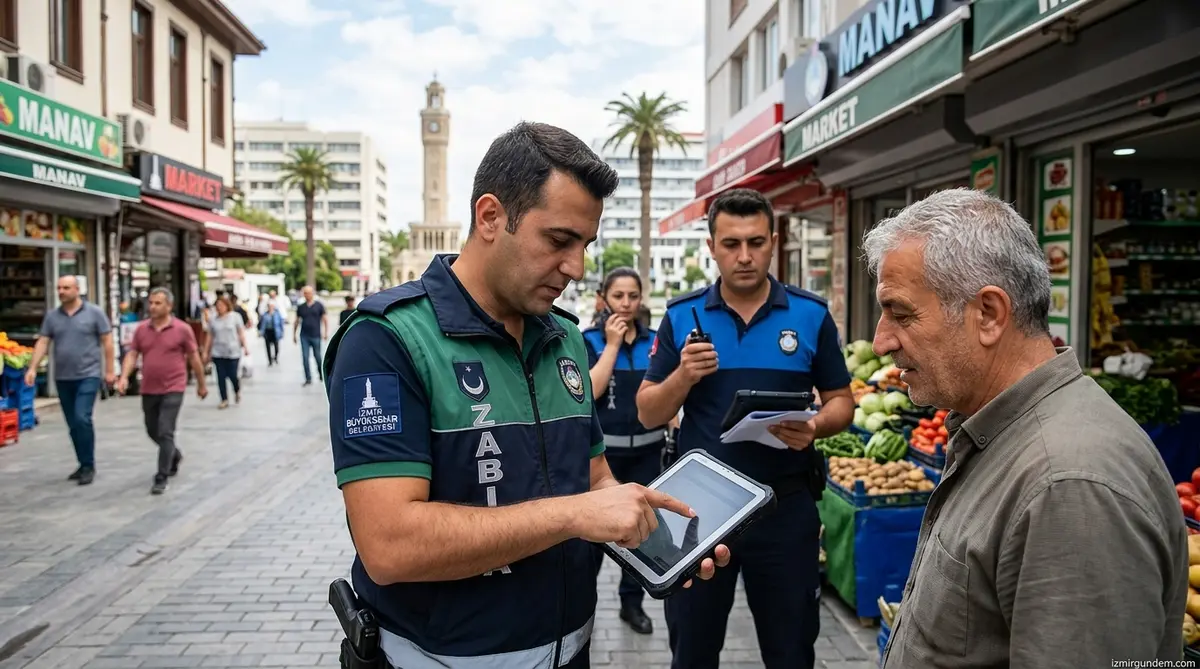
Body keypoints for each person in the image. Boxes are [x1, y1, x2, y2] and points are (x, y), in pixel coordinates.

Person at [323, 121, 731, 669]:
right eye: (559, 240)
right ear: (490, 217)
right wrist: (573, 516)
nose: (577, 268)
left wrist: (654, 540)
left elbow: (593, 479)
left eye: (585, 245)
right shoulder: (388, 339)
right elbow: (390, 545)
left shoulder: (562, 337)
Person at [866, 188, 1186, 667]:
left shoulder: (1068, 484)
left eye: (902, 313)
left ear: (989, 314)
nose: (880, 341)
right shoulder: (1001, 432)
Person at [636, 188, 854, 669]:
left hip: (786, 507)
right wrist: (683, 376)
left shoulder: (810, 314)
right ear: (711, 246)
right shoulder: (680, 316)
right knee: (692, 651)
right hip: (701, 513)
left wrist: (816, 425)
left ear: (773, 242)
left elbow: (843, 402)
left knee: (791, 651)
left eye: (756, 242)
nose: (745, 256)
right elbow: (648, 412)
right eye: (731, 244)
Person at [581, 267, 667, 635]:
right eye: (618, 296)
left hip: (649, 453)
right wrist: (612, 345)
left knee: (644, 534)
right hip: (604, 460)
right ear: (603, 298)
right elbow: (589, 392)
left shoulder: (654, 341)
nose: (627, 304)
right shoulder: (587, 340)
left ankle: (632, 604)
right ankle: (583, 609)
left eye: (633, 296)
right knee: (594, 540)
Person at [24, 276, 115, 485]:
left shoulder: (94, 313)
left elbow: (107, 342)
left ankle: (89, 465)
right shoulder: (52, 317)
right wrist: (32, 368)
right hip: (63, 377)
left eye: (66, 288)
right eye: (59, 288)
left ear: (77, 289)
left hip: (89, 375)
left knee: (82, 417)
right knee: (73, 424)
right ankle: (82, 463)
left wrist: (110, 370)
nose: (62, 291)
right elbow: (43, 341)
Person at [117, 288, 208, 495]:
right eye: (151, 302)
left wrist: (202, 384)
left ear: (169, 306)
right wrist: (123, 377)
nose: (153, 307)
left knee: (166, 429)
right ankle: (174, 454)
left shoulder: (182, 329)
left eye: (158, 303)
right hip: (149, 387)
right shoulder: (141, 330)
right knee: (152, 429)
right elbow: (132, 354)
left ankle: (161, 475)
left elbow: (194, 357)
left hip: (173, 386)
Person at [203, 296, 248, 409]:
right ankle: (224, 399)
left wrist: (245, 347)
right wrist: (206, 351)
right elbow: (209, 336)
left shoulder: (235, 317)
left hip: (233, 351)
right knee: (221, 377)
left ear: (227, 306)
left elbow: (241, 332)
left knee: (233, 375)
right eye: (217, 306)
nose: (219, 308)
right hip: (218, 352)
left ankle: (236, 390)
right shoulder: (213, 319)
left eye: (222, 305)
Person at [293, 285, 327, 386]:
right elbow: (296, 321)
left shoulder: (319, 305)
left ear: (313, 293)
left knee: (318, 356)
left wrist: (325, 332)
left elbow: (325, 319)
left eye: (309, 293)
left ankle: (321, 375)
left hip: (316, 335)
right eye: (305, 293)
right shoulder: (301, 307)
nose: (307, 295)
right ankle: (308, 378)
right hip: (304, 335)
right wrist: (294, 334)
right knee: (305, 357)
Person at [258, 301, 284, 366]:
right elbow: (262, 324)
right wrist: (261, 332)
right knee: (268, 347)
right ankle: (270, 360)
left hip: (275, 331)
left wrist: (282, 331)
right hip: (267, 331)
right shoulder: (265, 314)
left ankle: (275, 357)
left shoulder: (277, 314)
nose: (270, 307)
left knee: (276, 346)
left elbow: (281, 323)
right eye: (269, 306)